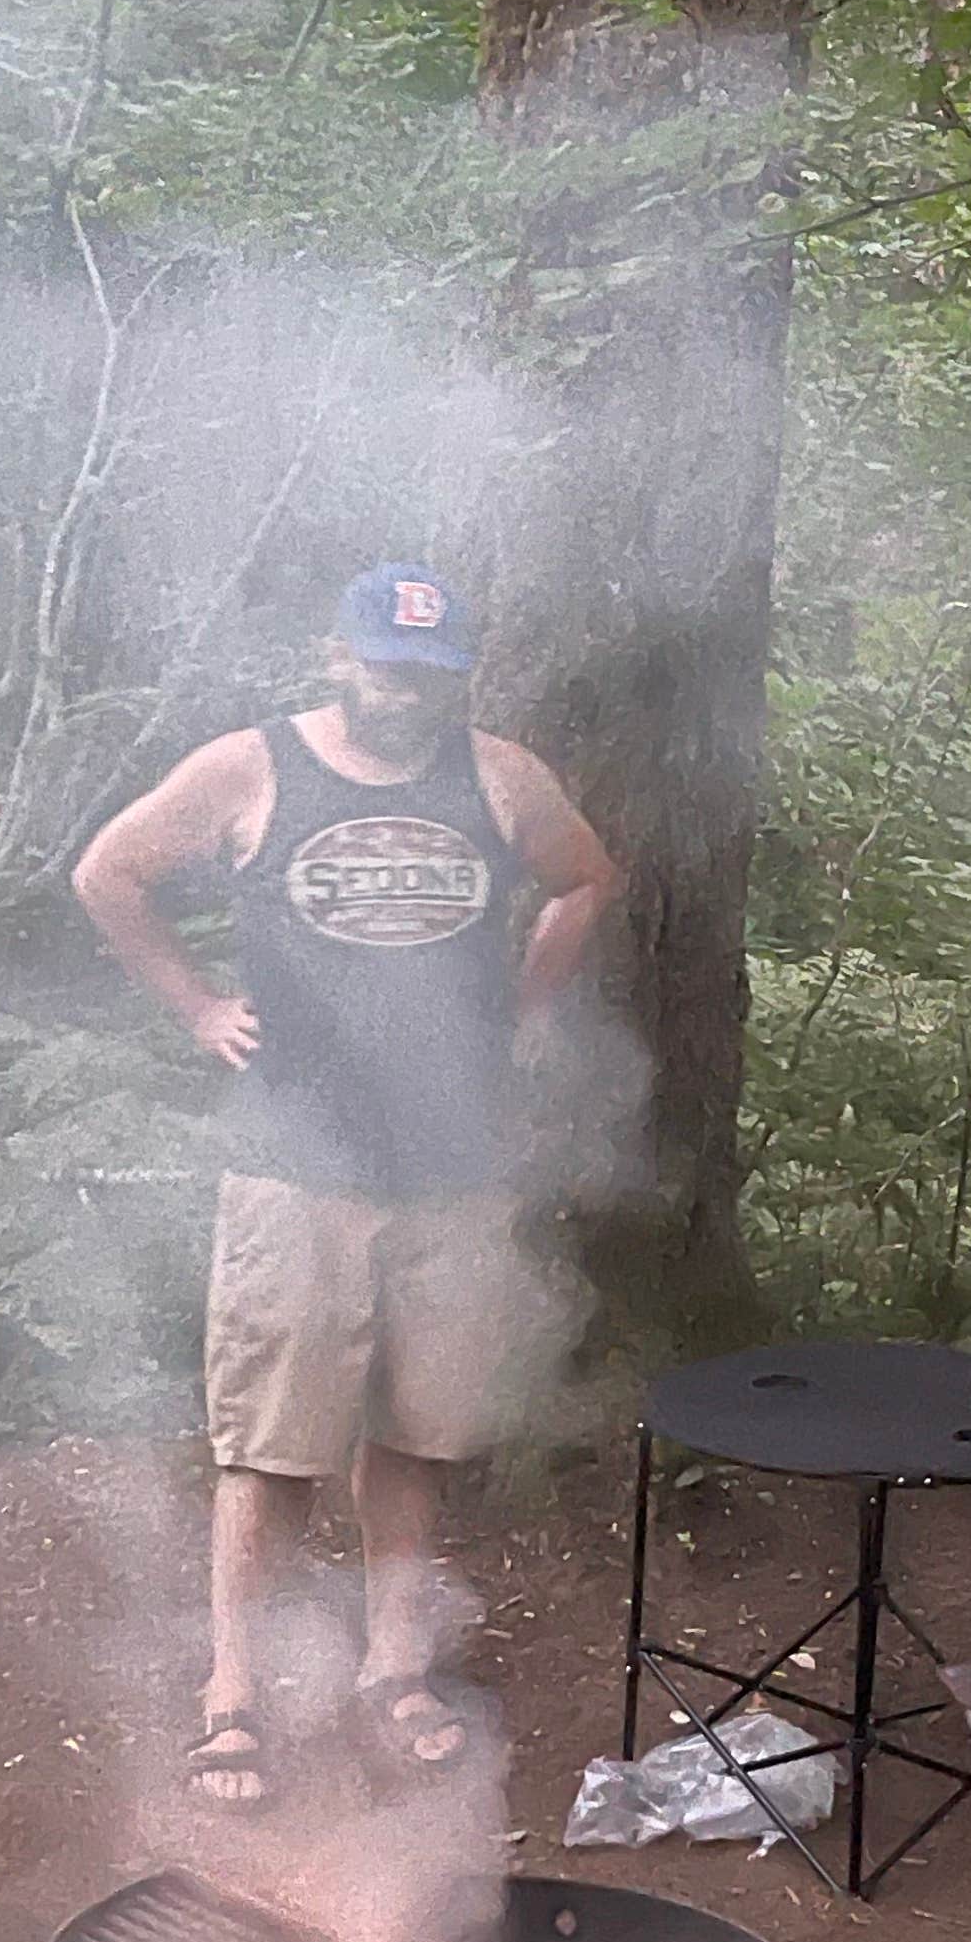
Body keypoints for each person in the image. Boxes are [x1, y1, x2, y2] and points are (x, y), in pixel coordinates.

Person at [73, 564, 621, 1808]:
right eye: (386, 667)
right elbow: (109, 872)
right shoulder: (252, 767)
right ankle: (235, 1696)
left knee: (419, 1432)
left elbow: (588, 877)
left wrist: (526, 1010)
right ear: (337, 656)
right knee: (269, 1451)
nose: (407, 693)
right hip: (295, 1165)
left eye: (432, 674)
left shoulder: (501, 775)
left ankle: (394, 1670)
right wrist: (199, 1006)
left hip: (453, 1162)